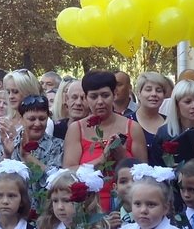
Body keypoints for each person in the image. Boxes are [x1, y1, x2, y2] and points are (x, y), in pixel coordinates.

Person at [61, 71, 147, 209]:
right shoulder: (76, 129)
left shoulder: (132, 128)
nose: (100, 102)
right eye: (94, 96)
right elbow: (68, 173)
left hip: (127, 205)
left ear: (114, 94)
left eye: (105, 95)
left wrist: (122, 156)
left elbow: (144, 174)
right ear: (86, 98)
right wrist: (102, 160)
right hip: (89, 206)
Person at [149, 79, 194, 173]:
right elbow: (156, 171)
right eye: (188, 102)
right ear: (176, 105)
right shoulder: (163, 134)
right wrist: (170, 170)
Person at [0, 94, 63, 171]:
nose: (37, 124)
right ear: (21, 119)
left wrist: (27, 156)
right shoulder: (7, 144)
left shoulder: (58, 146)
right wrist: (7, 155)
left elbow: (56, 179)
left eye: (42, 119)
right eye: (32, 119)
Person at [130, 72, 171, 158]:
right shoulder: (127, 122)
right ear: (138, 93)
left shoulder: (170, 122)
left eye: (158, 90)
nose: (154, 94)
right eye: (148, 90)